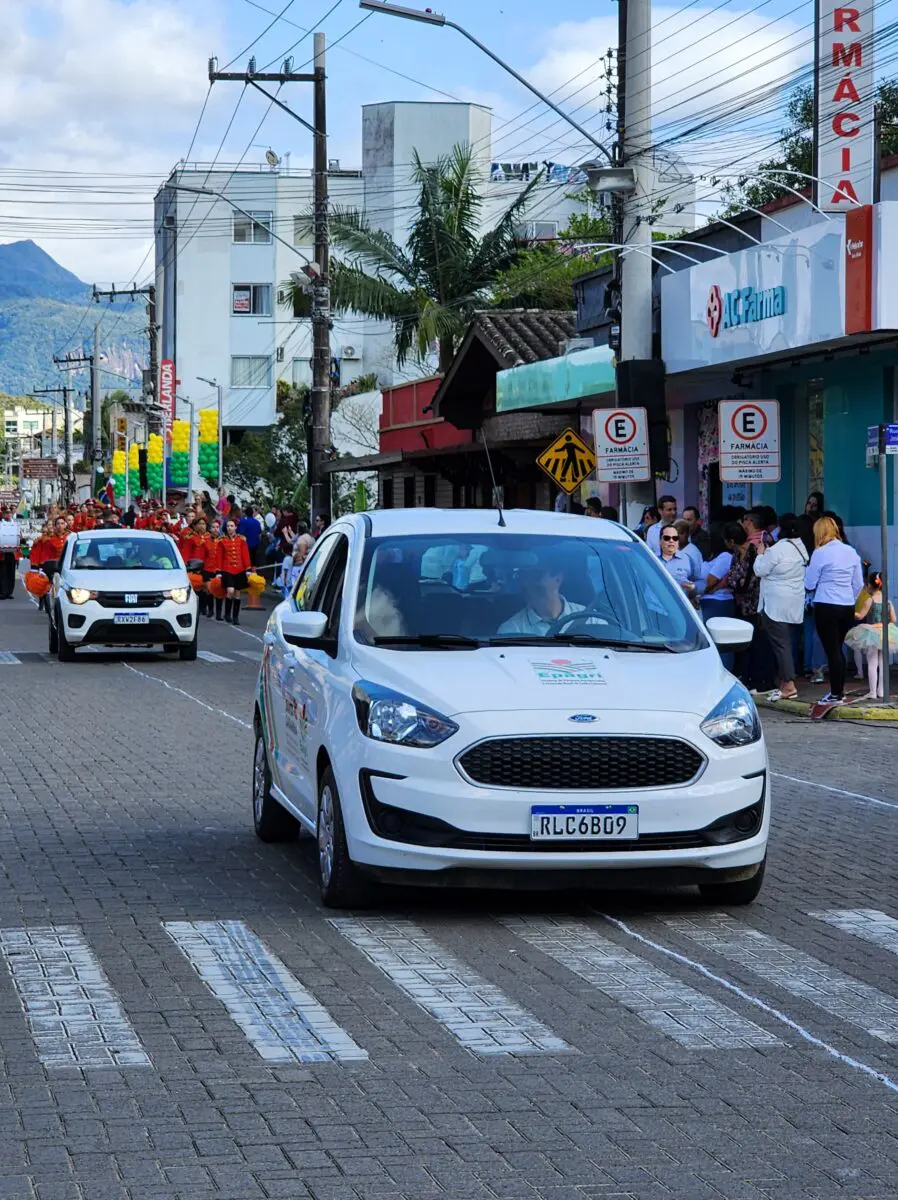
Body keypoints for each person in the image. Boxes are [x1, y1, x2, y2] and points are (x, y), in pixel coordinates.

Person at [805, 515, 864, 705]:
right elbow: (859, 583)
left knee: (832, 650)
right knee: (839, 648)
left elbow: (809, 583)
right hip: (846, 605)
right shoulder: (851, 551)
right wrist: (850, 598)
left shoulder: (820, 552)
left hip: (825, 604)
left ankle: (836, 693)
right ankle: (839, 691)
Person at [753, 513, 809, 701]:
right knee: (786, 642)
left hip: (774, 603)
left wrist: (760, 554)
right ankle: (785, 684)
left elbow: (759, 570)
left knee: (781, 645)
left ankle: (789, 685)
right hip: (794, 601)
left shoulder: (776, 550)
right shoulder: (801, 547)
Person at [497, 551, 587, 636]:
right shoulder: (512, 630)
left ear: (558, 578)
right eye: (522, 576)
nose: (526, 583)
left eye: (536, 575)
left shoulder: (590, 618)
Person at [844, 570, 898, 699]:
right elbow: (894, 619)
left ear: (870, 585)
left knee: (872, 663)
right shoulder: (888, 601)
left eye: (867, 584)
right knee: (882, 663)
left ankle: (873, 692)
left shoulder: (870, 600)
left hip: (871, 632)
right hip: (885, 632)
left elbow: (860, 616)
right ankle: (881, 691)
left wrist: (850, 611)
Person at [700, 524, 737, 669]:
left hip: (720, 602)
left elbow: (710, 580)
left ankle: (725, 671)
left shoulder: (725, 556)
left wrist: (710, 588)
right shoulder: (710, 557)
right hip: (708, 601)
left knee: (722, 641)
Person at [216, 519, 251, 625]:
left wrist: (248, 568)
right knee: (230, 591)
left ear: (236, 527)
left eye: (232, 526)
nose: (230, 528)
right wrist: (218, 571)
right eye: (228, 526)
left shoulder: (242, 539)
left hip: (239, 569)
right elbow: (219, 557)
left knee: (237, 593)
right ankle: (227, 613)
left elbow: (245, 554)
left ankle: (235, 617)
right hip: (227, 569)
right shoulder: (222, 540)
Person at [658, 523, 697, 599]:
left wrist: (693, 588)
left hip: (678, 608)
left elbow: (698, 582)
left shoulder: (687, 559)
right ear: (660, 541)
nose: (671, 541)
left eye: (675, 538)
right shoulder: (651, 559)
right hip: (655, 607)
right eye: (667, 538)